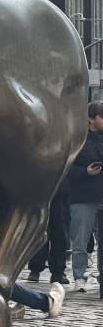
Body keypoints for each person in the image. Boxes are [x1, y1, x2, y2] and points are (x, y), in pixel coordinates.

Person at [68, 101, 103, 292]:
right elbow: (66, 170)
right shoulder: (78, 140)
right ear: (91, 119)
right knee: (80, 240)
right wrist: (85, 172)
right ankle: (79, 276)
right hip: (82, 196)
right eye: (102, 117)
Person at [27, 178, 71, 284]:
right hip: (40, 191)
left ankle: (58, 271)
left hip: (60, 193)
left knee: (60, 235)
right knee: (39, 232)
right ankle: (35, 268)